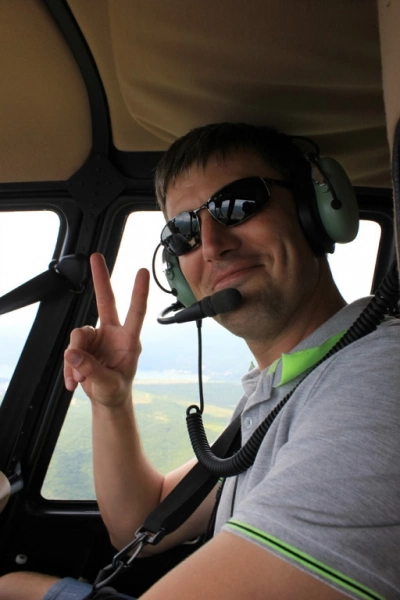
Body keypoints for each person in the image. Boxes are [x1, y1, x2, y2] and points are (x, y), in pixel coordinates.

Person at [0, 123, 399, 600]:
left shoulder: (379, 380)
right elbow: (139, 523)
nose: (211, 245)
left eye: (239, 205)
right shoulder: (284, 387)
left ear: (313, 210)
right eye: (184, 232)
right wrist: (112, 400)